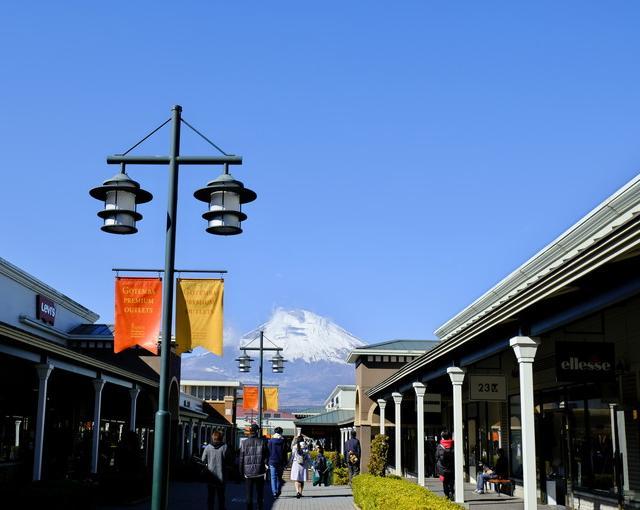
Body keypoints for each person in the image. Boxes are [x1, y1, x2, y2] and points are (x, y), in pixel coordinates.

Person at [238, 423, 269, 510]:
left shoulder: (244, 443)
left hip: (248, 473)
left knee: (249, 494)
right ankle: (260, 508)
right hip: (260, 472)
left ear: (250, 431)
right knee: (260, 494)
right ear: (257, 431)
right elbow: (267, 457)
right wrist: (266, 468)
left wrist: (240, 473)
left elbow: (241, 459)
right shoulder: (263, 442)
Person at [201, 430, 228, 510]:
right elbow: (228, 459)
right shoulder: (224, 447)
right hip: (221, 476)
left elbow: (203, 459)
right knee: (221, 497)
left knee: (210, 496)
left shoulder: (208, 447)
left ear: (213, 438)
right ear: (221, 438)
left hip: (211, 476)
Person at [267, 426, 287, 498]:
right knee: (279, 477)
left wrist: (267, 461)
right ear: (281, 432)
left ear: (275, 432)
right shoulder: (283, 441)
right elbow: (285, 452)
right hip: (281, 461)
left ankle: (274, 492)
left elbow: (268, 451)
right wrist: (286, 462)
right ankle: (278, 490)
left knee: (273, 477)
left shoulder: (271, 441)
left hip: (272, 461)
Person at [436, 430, 455, 500]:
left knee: (445, 482)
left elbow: (436, 457)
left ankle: (447, 494)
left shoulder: (440, 446)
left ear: (442, 437)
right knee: (451, 481)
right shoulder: (453, 445)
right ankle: (451, 492)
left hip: (442, 468)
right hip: (452, 467)